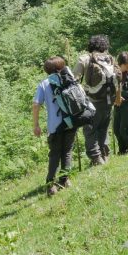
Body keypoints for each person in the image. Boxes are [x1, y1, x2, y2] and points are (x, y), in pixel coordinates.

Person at [32, 56, 76, 196]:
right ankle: (65, 180)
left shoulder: (44, 84)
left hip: (55, 126)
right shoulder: (69, 78)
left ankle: (51, 185)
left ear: (47, 70)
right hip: (70, 122)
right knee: (67, 151)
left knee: (55, 155)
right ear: (61, 67)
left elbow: (36, 104)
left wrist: (36, 125)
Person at [73, 35, 117, 165]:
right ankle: (105, 153)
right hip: (108, 100)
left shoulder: (85, 59)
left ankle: (96, 158)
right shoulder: (110, 58)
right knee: (103, 127)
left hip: (91, 101)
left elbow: (74, 80)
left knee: (90, 129)